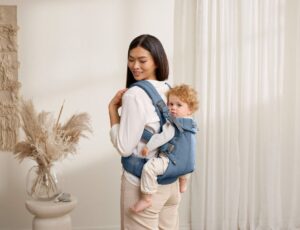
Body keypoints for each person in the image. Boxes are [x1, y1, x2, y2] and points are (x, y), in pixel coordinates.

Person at [109, 34, 181, 229]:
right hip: (170, 184)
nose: (135, 66)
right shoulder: (169, 89)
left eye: (142, 60)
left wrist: (112, 111)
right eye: (131, 60)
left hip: (141, 185)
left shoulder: (134, 94)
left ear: (157, 61)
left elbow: (124, 147)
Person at [131, 84, 199, 213]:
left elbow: (161, 138)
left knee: (149, 168)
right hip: (188, 165)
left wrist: (148, 147)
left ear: (190, 110)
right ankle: (183, 182)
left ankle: (146, 198)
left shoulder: (173, 124)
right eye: (170, 104)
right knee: (187, 161)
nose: (173, 108)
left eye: (179, 105)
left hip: (172, 161)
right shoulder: (192, 124)